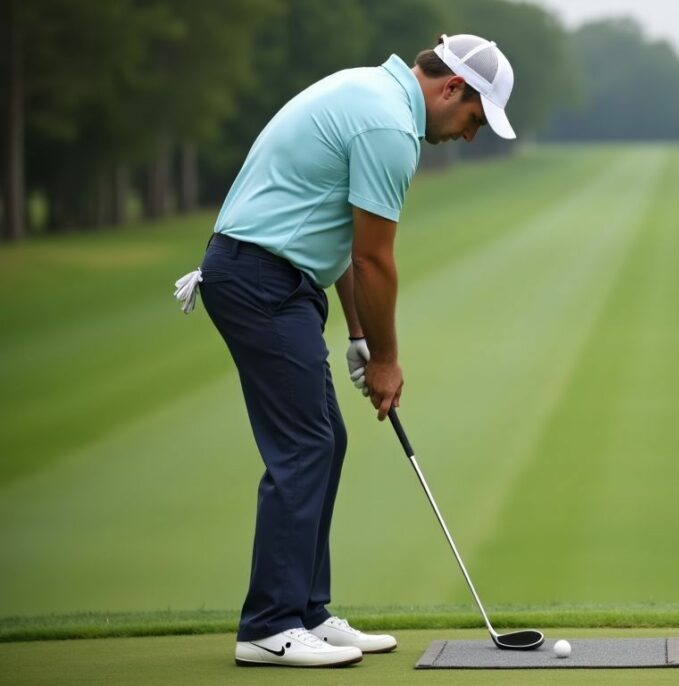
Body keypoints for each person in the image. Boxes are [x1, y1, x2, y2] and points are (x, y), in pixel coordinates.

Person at [172, 34, 516, 668]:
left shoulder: (371, 93)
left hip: (275, 277)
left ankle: (306, 613)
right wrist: (385, 359)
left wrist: (358, 337)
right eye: (474, 119)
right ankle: (269, 626)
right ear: (452, 89)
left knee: (325, 438)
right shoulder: (388, 126)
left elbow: (337, 240)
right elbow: (374, 257)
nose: (471, 136)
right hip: (260, 280)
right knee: (304, 445)